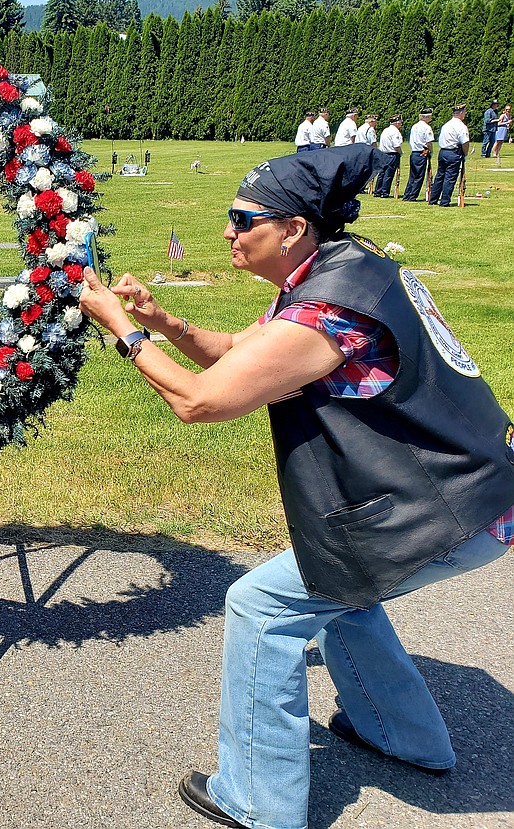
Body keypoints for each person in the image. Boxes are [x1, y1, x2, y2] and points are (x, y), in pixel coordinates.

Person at [78, 145, 514, 829]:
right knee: (340, 585)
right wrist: (164, 321)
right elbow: (238, 355)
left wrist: (124, 331)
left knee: (261, 607)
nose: (227, 230)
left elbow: (199, 402)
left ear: (293, 230)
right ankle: (408, 737)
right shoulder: (342, 272)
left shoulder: (326, 312)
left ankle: (258, 800)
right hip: (474, 494)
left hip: (448, 510)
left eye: (241, 217)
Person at [428, 103, 470, 207]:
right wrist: (465, 153)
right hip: (453, 152)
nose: (465, 114)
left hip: (443, 152)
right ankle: (445, 201)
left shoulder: (446, 125)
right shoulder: (461, 126)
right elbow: (465, 142)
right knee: (450, 178)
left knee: (440, 176)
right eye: (464, 112)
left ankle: (433, 199)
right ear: (460, 113)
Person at [401, 108, 435, 200]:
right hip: (422, 152)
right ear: (427, 117)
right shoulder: (426, 127)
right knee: (419, 176)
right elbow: (428, 142)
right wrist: (431, 151)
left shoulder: (414, 126)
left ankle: (407, 194)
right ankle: (412, 196)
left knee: (412, 175)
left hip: (414, 153)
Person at [373, 113, 404, 198]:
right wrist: (400, 153)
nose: (401, 124)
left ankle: (377, 191)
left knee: (382, 173)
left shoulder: (385, 130)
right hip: (392, 154)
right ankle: (384, 192)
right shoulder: (395, 132)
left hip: (383, 154)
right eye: (400, 122)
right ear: (397, 122)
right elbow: (396, 145)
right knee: (389, 174)